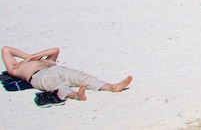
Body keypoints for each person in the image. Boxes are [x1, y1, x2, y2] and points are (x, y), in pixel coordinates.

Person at [2, 46, 132, 102]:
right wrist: (26, 58)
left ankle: (112, 87)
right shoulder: (15, 68)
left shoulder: (47, 60)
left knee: (84, 77)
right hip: (38, 75)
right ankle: (76, 95)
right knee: (56, 86)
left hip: (57, 69)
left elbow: (56, 49)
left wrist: (32, 56)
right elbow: (6, 49)